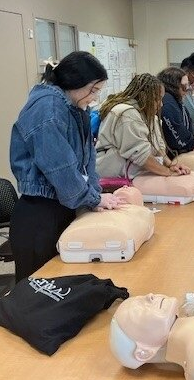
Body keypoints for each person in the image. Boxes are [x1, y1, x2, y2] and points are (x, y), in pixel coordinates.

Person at [9, 51, 123, 282]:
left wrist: (93, 194)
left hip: (63, 204)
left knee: (66, 282)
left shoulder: (74, 106)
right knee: (39, 289)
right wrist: (92, 199)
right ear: (75, 83)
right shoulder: (47, 109)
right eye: (93, 90)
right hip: (40, 213)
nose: (95, 96)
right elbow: (60, 167)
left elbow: (87, 156)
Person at [96, 73, 190, 178]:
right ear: (144, 97)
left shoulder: (149, 115)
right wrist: (168, 173)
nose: (161, 104)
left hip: (132, 173)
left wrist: (171, 165)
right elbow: (142, 156)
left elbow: (158, 147)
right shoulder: (126, 114)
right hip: (112, 175)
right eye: (157, 99)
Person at [157, 67, 194, 158]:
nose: (187, 89)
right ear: (174, 85)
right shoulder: (168, 102)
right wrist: (193, 144)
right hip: (173, 156)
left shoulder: (175, 100)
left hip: (177, 153)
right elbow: (175, 129)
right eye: (184, 86)